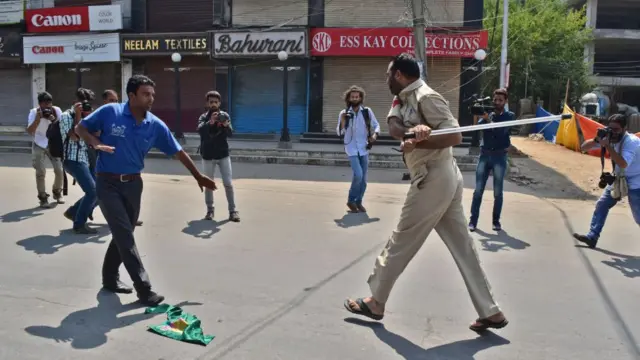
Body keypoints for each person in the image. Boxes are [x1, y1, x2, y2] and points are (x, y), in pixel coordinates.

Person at [343, 53, 508, 332]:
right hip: (440, 178)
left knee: (402, 238)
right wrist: (412, 132)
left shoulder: (426, 97)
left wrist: (426, 137)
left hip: (434, 177)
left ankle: (376, 301)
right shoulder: (403, 97)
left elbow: (455, 136)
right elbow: (394, 126)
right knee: (464, 248)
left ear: (398, 74)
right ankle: (490, 311)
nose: (385, 79)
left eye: (387, 75)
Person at [75, 75, 217, 306]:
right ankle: (144, 288)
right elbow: (81, 127)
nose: (151, 98)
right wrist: (94, 142)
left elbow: (178, 151)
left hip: (133, 184)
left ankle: (109, 278)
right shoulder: (110, 112)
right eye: (145, 94)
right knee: (124, 233)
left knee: (125, 232)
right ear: (132, 96)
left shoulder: (155, 125)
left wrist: (198, 176)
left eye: (152, 94)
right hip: (106, 182)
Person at [573, 114, 640, 248]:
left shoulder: (631, 142)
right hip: (619, 177)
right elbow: (584, 147)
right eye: (610, 129)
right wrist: (597, 139)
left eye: (616, 130)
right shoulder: (608, 137)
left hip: (637, 179)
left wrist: (608, 146)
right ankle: (592, 236)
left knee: (639, 216)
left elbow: (623, 163)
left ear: (624, 128)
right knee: (602, 204)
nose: (613, 132)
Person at [468, 88, 515, 232]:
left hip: (500, 157)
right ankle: (473, 221)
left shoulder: (509, 116)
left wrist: (489, 120)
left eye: (500, 100)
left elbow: (501, 133)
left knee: (497, 192)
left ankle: (496, 222)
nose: (497, 102)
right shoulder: (488, 115)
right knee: (478, 191)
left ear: (505, 101)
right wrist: (483, 117)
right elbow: (479, 128)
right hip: (485, 155)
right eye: (495, 100)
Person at [60, 88, 99, 234]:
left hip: (86, 159)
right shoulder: (66, 116)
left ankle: (73, 212)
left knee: (100, 190)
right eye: (81, 104)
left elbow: (95, 135)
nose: (84, 107)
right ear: (74, 102)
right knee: (93, 191)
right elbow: (74, 137)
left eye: (87, 104)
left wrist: (90, 117)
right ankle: (79, 224)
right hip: (72, 159)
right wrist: (77, 115)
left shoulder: (87, 116)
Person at [336, 85, 380, 213]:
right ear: (348, 98)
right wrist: (343, 121)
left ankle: (358, 202)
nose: (355, 98)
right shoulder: (343, 113)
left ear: (360, 98)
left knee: (364, 180)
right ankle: (351, 200)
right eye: (352, 96)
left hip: (364, 148)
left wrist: (374, 135)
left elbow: (376, 125)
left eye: (357, 96)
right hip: (351, 148)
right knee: (358, 175)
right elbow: (339, 133)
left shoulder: (367, 111)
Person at [197, 91, 240, 222]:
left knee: (228, 183)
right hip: (208, 155)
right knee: (208, 184)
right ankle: (210, 210)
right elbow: (200, 131)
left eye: (216, 102)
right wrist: (210, 122)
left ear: (220, 103)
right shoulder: (203, 117)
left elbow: (231, 134)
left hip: (223, 155)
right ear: (207, 103)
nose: (214, 104)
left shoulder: (225, 116)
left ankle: (233, 211)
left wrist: (226, 126)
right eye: (211, 102)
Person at [26, 91, 65, 208]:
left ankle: (57, 192)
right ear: (40, 104)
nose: (47, 106)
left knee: (59, 170)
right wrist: (38, 118)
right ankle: (43, 197)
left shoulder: (56, 110)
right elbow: (29, 131)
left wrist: (53, 119)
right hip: (39, 143)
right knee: (40, 172)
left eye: (49, 103)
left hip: (53, 143)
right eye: (44, 104)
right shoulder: (34, 112)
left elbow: (62, 126)